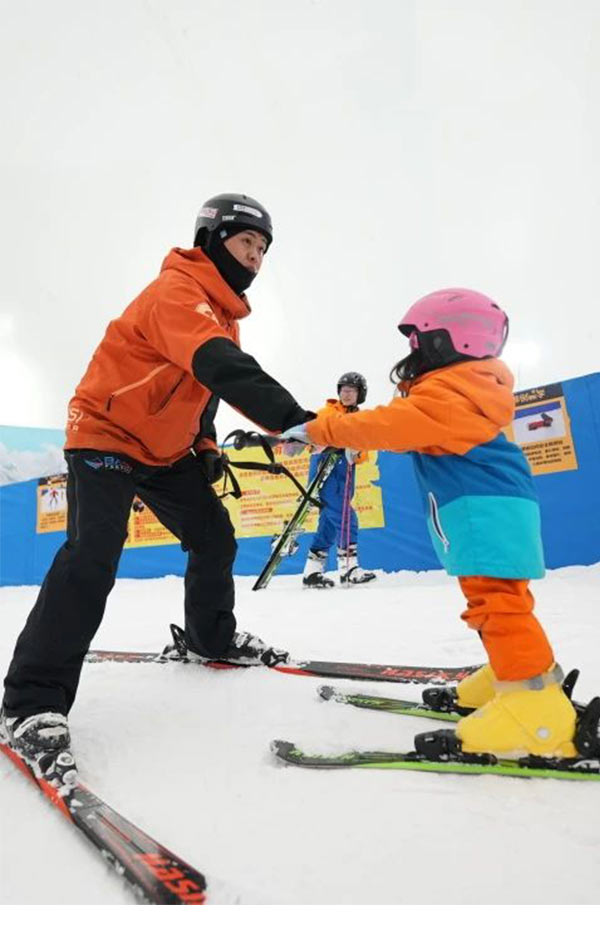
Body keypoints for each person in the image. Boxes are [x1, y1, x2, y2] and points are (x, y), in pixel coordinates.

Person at [1, 193, 315, 764]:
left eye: (263, 248)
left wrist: (205, 443)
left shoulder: (221, 315)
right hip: (107, 434)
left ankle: (209, 639)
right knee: (93, 552)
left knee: (214, 536)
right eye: (246, 242)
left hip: (166, 451)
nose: (255, 257)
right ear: (213, 240)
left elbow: (204, 392)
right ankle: (30, 702)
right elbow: (219, 365)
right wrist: (296, 420)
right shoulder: (177, 291)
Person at [282, 288, 578, 759]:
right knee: (501, 597)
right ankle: (518, 676)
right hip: (491, 504)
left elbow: (388, 426)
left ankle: (535, 712)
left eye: (418, 343)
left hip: (482, 507)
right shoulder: (469, 388)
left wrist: (319, 430)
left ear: (447, 341)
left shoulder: (452, 394)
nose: (411, 355)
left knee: (498, 603)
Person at [302, 373, 376, 588]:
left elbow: (362, 456)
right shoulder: (327, 413)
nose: (346, 394)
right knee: (346, 519)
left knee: (328, 525)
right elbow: (311, 442)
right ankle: (350, 568)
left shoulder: (360, 419)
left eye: (351, 390)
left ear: (360, 394)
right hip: (327, 475)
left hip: (345, 477)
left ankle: (312, 572)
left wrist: (356, 448)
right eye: (343, 389)